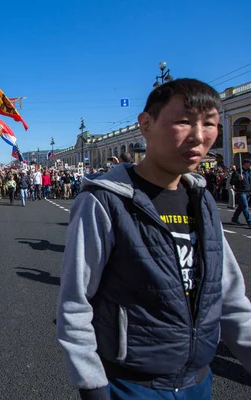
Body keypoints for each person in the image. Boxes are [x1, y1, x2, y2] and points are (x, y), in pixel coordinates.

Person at [57, 78, 251, 399]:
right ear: (146, 124)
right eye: (184, 121)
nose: (199, 136)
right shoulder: (105, 201)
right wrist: (92, 385)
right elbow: (75, 303)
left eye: (210, 124)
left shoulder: (201, 200)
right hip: (132, 385)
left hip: (198, 381)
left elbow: (229, 299)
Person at [230, 159, 251, 227]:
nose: (250, 164)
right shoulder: (237, 172)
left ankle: (234, 219)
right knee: (245, 206)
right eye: (249, 163)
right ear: (245, 164)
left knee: (241, 207)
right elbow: (232, 182)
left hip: (248, 191)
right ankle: (249, 222)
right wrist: (238, 179)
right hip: (240, 191)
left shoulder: (249, 171)